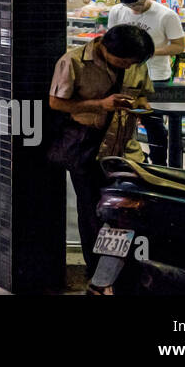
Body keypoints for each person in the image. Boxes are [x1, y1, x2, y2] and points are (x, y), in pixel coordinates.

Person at [49, 23, 155, 281]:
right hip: (86, 144)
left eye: (133, 63)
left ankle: (119, 269)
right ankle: (97, 270)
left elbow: (143, 96)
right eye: (123, 61)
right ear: (105, 47)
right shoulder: (74, 61)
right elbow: (56, 102)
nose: (127, 67)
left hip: (124, 144)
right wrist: (101, 105)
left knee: (124, 209)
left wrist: (139, 107)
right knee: (93, 211)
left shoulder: (135, 62)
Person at [107, 0, 184, 164]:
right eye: (129, 5)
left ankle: (159, 165)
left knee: (153, 123)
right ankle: (129, 162)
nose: (134, 8)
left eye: (138, 4)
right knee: (122, 121)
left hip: (155, 76)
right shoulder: (117, 11)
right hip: (124, 76)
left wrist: (148, 52)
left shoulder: (166, 15)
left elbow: (179, 46)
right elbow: (110, 39)